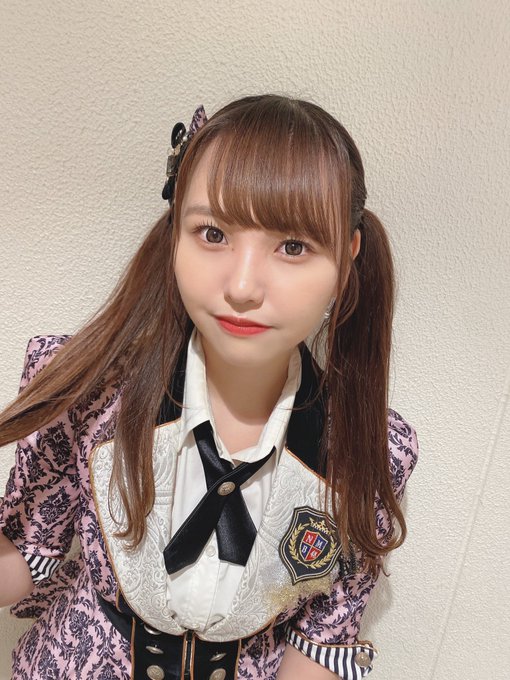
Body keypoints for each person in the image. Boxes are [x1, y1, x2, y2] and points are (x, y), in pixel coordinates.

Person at [0, 95, 418, 680]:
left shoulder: (371, 450)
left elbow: (320, 642)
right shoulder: (87, 391)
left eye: (293, 246)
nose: (242, 286)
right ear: (176, 231)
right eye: (213, 233)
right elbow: (26, 557)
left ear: (347, 257)